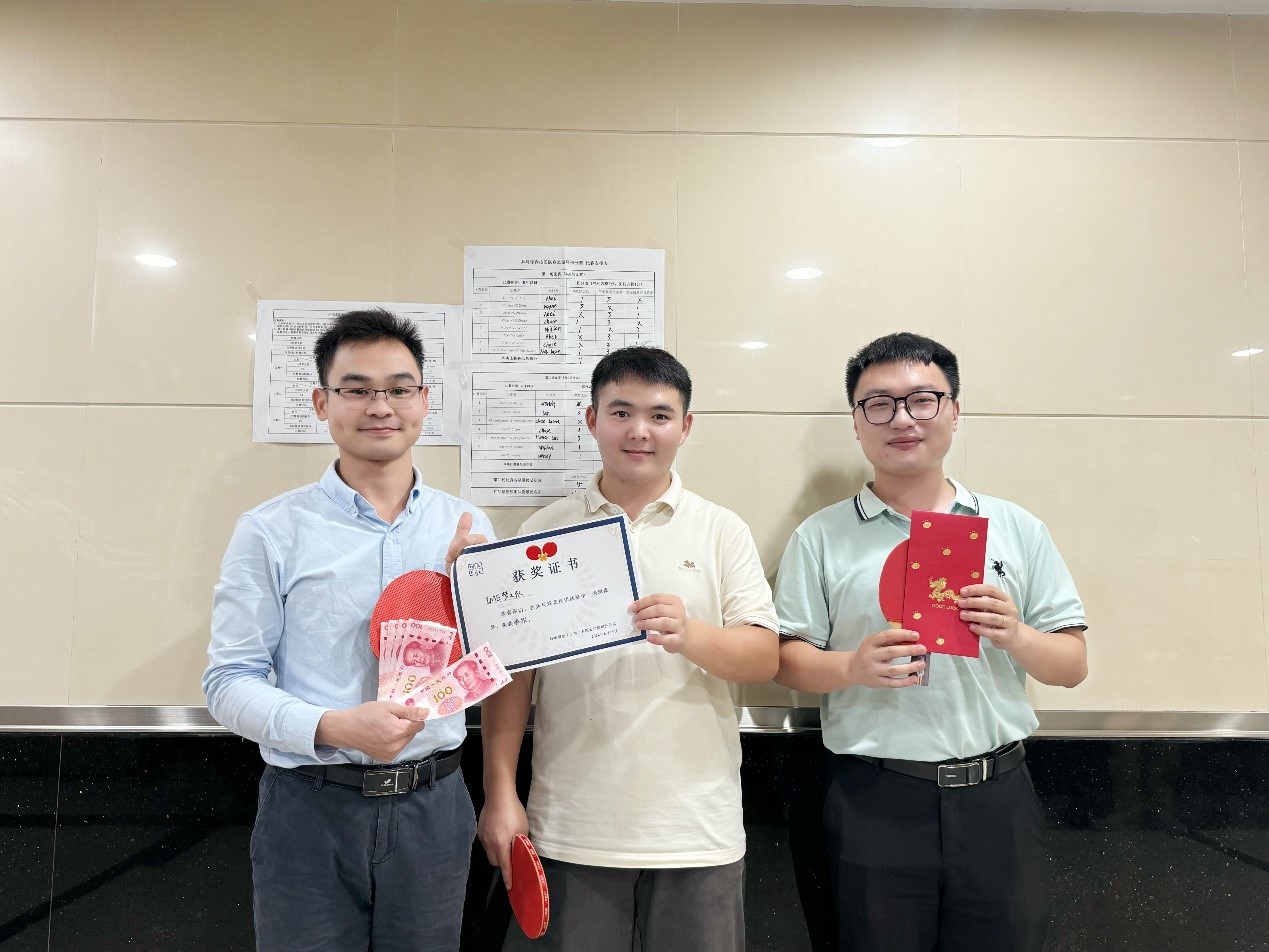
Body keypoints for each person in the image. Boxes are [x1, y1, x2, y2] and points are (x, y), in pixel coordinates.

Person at [772, 332, 1088, 952]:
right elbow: (785, 660)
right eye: (879, 405)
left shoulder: (1015, 528)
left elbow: (1072, 664)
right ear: (857, 424)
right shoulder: (821, 535)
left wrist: (1016, 634)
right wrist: (851, 667)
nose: (903, 419)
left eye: (923, 400)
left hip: (997, 799)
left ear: (955, 411)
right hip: (873, 798)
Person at [204, 308, 492, 952]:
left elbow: (493, 668)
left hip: (434, 805)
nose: (379, 405)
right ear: (321, 402)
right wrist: (332, 728)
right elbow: (227, 681)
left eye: (398, 387)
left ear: (425, 400)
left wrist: (465, 604)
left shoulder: (468, 529)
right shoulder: (271, 530)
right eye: (356, 388)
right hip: (307, 805)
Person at [478, 347, 780, 952]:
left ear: (686, 427)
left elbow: (764, 658)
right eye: (621, 412)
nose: (640, 431)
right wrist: (499, 794)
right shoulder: (544, 531)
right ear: (591, 419)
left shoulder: (722, 530)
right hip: (569, 827)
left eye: (660, 415)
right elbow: (513, 678)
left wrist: (692, 635)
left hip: (697, 829)